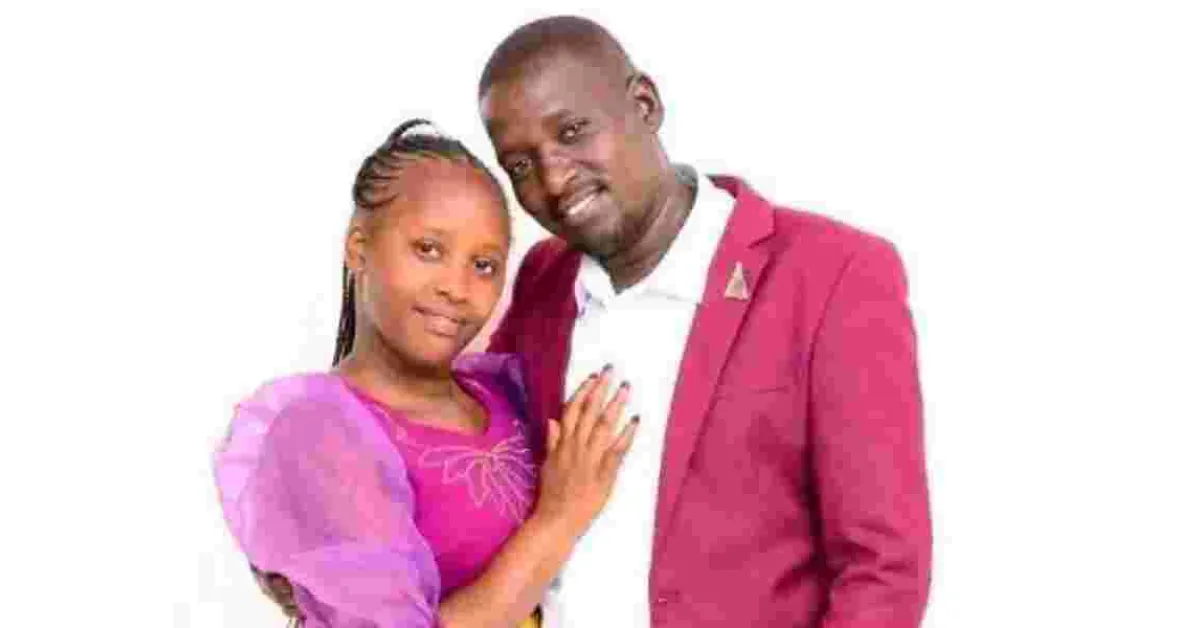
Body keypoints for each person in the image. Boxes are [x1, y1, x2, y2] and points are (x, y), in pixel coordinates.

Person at [478, 16, 933, 627]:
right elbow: (470, 458)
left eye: (572, 131)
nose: (554, 180)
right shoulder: (542, 280)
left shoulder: (832, 274)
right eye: (520, 166)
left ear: (644, 104)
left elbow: (883, 569)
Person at [214, 118, 638, 628]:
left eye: (484, 265)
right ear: (358, 247)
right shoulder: (319, 431)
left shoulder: (501, 391)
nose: (456, 288)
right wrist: (559, 519)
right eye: (429, 250)